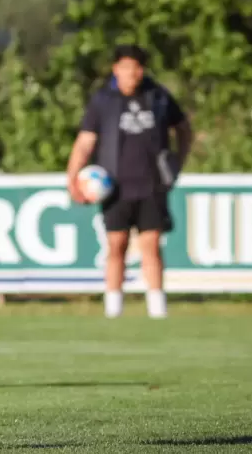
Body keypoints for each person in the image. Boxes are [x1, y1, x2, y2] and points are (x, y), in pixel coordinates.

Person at [66, 44, 192, 319]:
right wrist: (72, 177)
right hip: (114, 188)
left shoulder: (157, 96)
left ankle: (157, 310)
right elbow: (86, 141)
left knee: (151, 245)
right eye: (125, 67)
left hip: (152, 185)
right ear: (116, 70)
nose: (131, 73)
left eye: (136, 67)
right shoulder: (103, 100)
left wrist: (177, 162)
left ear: (142, 70)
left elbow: (183, 129)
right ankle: (114, 308)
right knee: (116, 245)